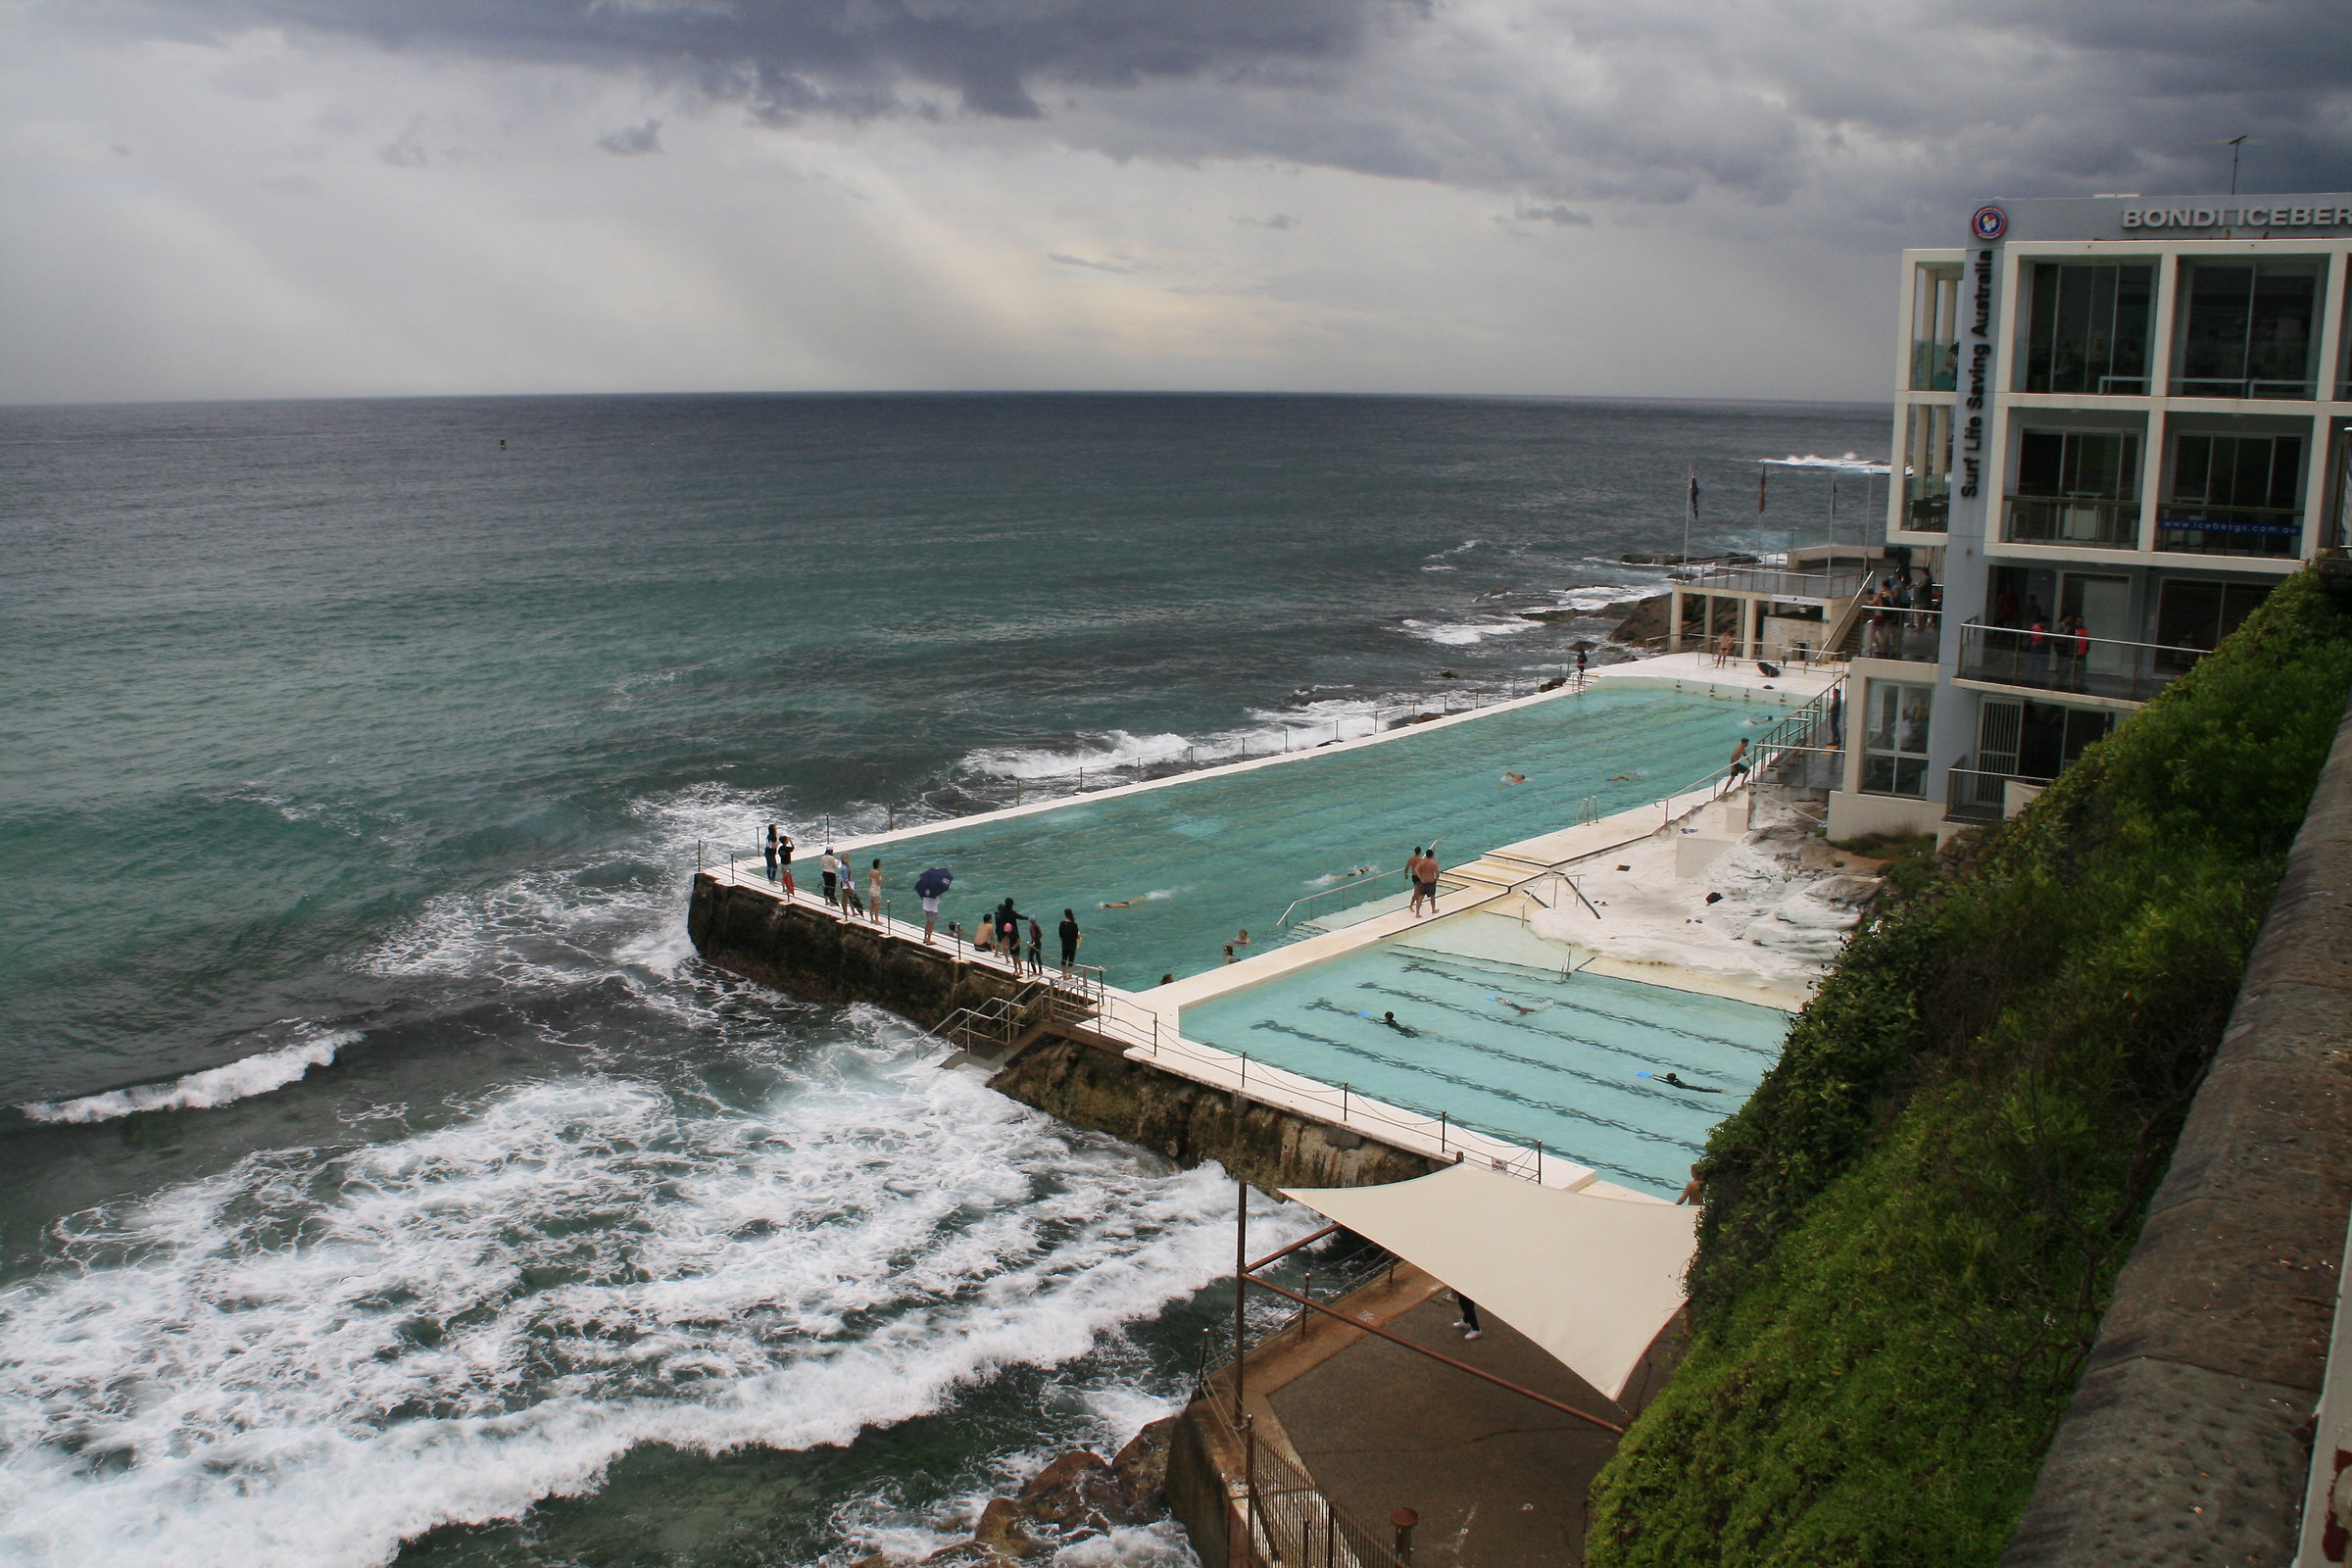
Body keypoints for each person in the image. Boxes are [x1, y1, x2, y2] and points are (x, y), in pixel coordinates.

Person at [1058, 910, 1082, 974]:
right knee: (1071, 961)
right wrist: (1079, 936)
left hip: (1064, 944)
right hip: (1072, 945)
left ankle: (1064, 975)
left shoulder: (1062, 923)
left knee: (1063, 960)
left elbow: (1060, 934)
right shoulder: (1074, 925)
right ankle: (1070, 975)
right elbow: (1076, 936)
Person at [777, 830, 796, 896]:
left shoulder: (780, 848)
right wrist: (791, 841)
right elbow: (793, 848)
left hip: (782, 862)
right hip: (787, 864)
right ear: (785, 841)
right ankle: (788, 890)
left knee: (783, 876)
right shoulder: (786, 848)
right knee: (788, 876)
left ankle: (783, 888)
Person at [867, 858, 885, 923]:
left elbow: (869, 880)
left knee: (872, 905)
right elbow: (878, 882)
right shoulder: (877, 873)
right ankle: (877, 920)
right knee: (877, 906)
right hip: (876, 890)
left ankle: (872, 919)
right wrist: (883, 880)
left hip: (871, 889)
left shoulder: (871, 871)